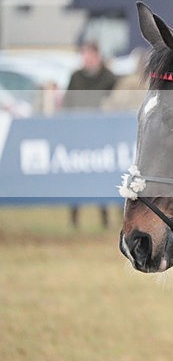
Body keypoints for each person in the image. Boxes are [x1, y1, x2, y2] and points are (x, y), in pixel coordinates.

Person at [62, 40, 118, 228]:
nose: (85, 59)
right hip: (79, 134)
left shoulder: (109, 77)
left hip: (102, 135)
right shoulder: (76, 76)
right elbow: (67, 103)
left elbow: (115, 103)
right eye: (83, 55)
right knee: (76, 177)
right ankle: (73, 218)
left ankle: (107, 218)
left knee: (103, 176)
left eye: (88, 55)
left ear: (97, 55)